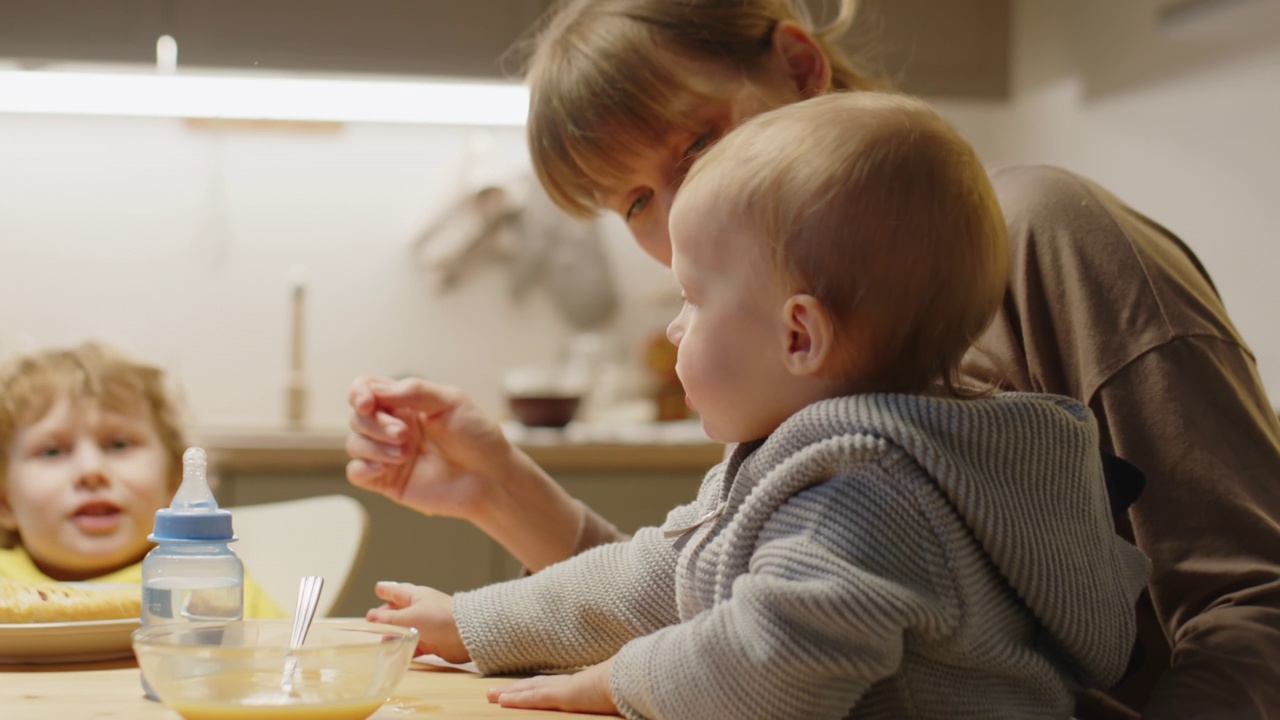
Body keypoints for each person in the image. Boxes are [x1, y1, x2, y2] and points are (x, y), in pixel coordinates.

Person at [345, 1, 1280, 717]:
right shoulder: (795, 352)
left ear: (798, 65)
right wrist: (500, 490)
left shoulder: (1042, 235)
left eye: (701, 141)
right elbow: (719, 592)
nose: (676, 221)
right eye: (633, 200)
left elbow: (1258, 606)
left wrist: (623, 680)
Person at [0, 342, 284, 618]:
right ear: (4, 502)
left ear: (174, 482)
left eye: (119, 445)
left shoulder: (213, 583)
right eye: (52, 451)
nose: (91, 471)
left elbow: (280, 661)